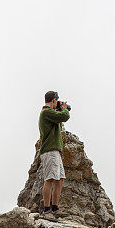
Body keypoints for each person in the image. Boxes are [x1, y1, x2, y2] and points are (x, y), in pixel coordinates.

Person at [38, 91, 71, 220]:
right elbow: (65, 117)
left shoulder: (50, 114)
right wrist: (63, 109)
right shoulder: (46, 112)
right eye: (56, 101)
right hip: (49, 150)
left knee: (60, 179)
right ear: (53, 100)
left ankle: (55, 208)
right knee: (50, 178)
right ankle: (47, 210)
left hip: (54, 150)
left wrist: (60, 109)